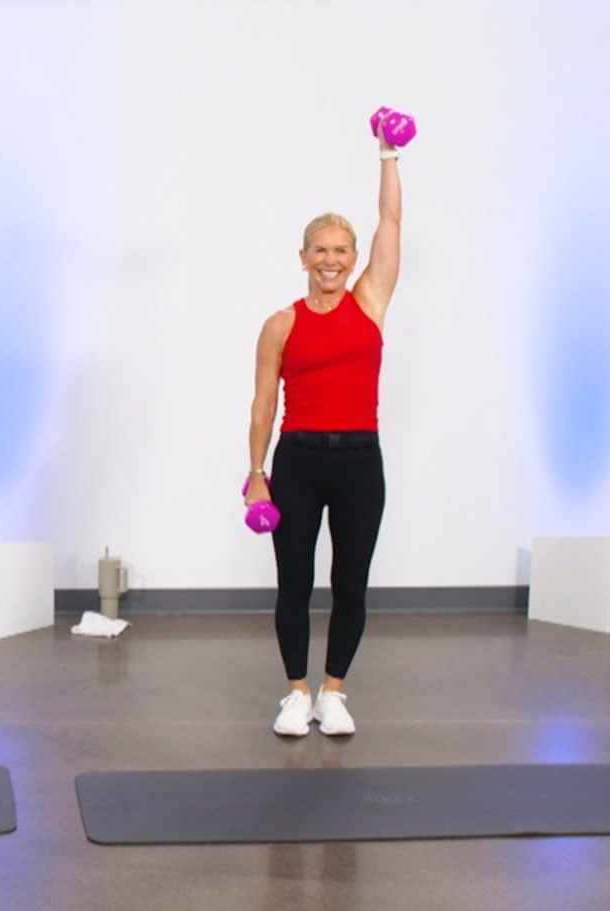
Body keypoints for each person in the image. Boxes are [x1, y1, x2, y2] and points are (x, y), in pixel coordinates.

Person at [245, 117, 404, 738]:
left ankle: (333, 693)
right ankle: (294, 693)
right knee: (294, 582)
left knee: (350, 581)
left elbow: (391, 224)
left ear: (354, 258)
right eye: (321, 251)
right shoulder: (281, 324)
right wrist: (257, 476)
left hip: (361, 460)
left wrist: (389, 154)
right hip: (299, 462)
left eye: (342, 250)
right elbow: (262, 406)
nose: (332, 260)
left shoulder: (370, 302)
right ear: (304, 257)